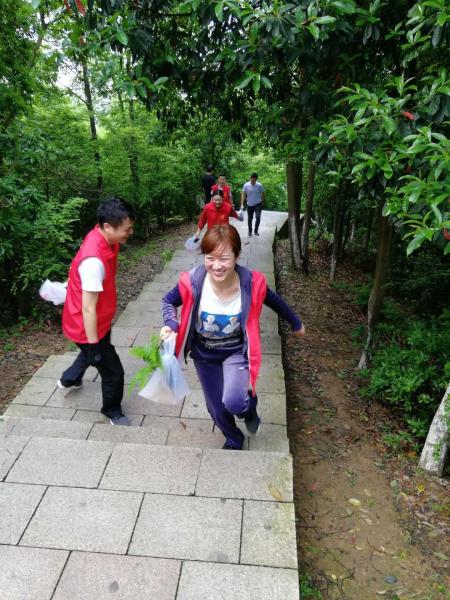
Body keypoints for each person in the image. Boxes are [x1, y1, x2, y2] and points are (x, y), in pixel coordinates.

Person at [160, 224, 305, 450]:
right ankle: (234, 438)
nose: (216, 266)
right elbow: (168, 301)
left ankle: (248, 407)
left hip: (235, 351)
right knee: (217, 408)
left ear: (237, 256)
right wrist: (171, 324)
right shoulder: (194, 281)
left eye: (224, 258)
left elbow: (275, 301)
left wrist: (295, 323)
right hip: (204, 354)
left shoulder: (251, 284)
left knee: (234, 401)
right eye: (210, 258)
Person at [57, 197, 135, 426]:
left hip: (99, 319)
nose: (130, 233)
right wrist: (94, 346)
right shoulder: (94, 261)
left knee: (94, 353)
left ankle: (70, 378)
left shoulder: (101, 237)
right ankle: (112, 411)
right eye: (127, 229)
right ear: (108, 226)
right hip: (87, 324)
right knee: (112, 371)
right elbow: (88, 308)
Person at [240, 172, 265, 237]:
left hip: (258, 204)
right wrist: (242, 204)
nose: (253, 181)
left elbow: (262, 193)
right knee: (250, 218)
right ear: (250, 178)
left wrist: (262, 201)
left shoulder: (259, 185)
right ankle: (250, 231)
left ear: (256, 179)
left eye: (254, 180)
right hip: (249, 204)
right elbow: (243, 195)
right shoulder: (246, 185)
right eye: (252, 180)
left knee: (258, 217)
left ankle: (256, 231)